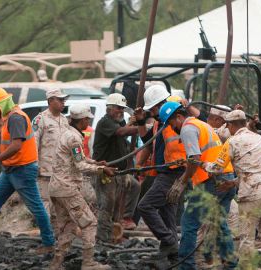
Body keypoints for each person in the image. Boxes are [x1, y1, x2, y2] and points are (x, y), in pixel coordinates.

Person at [0, 87, 55, 254]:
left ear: (0, 104)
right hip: (10, 169)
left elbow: (16, 145)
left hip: (22, 169)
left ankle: (49, 243)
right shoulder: (10, 117)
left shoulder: (15, 118)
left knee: (36, 207)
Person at [202, 110, 261, 269]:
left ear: (231, 125)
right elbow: (255, 167)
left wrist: (202, 164)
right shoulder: (259, 138)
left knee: (247, 236)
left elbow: (217, 169)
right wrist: (233, 182)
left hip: (252, 193)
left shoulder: (232, 142)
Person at [161, 102, 237, 269]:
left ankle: (186, 265)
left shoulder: (188, 128)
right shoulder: (201, 124)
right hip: (227, 176)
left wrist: (182, 181)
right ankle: (230, 263)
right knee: (219, 222)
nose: (171, 128)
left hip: (211, 181)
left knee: (189, 223)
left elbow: (194, 158)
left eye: (171, 123)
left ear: (179, 117)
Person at [48, 104, 115, 270]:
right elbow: (80, 166)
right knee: (90, 223)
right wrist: (101, 170)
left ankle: (56, 264)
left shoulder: (67, 134)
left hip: (57, 188)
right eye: (87, 120)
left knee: (69, 227)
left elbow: (80, 159)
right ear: (83, 120)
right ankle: (88, 263)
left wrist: (96, 163)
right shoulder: (74, 138)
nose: (88, 123)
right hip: (67, 188)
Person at [134, 88, 188, 265]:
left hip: (173, 172)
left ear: (161, 104)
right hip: (167, 171)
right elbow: (147, 141)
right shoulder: (161, 123)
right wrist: (141, 121)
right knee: (168, 214)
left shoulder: (174, 118)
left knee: (145, 206)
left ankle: (169, 241)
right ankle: (173, 256)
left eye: (153, 109)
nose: (153, 113)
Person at [92, 93, 140, 244]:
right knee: (107, 205)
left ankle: (123, 221)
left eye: (123, 109)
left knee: (134, 187)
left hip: (118, 171)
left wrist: (138, 121)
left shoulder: (119, 121)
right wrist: (141, 126)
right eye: (118, 108)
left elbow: (124, 131)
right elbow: (122, 132)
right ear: (109, 108)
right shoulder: (105, 122)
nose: (121, 111)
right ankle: (103, 238)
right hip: (106, 170)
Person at [32, 89, 69, 217]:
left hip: (61, 170)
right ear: (50, 101)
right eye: (60, 100)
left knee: (59, 203)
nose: (63, 102)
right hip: (46, 169)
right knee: (45, 202)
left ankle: (57, 233)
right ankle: (45, 233)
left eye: (63, 100)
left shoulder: (64, 120)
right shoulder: (40, 119)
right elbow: (33, 143)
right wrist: (35, 165)